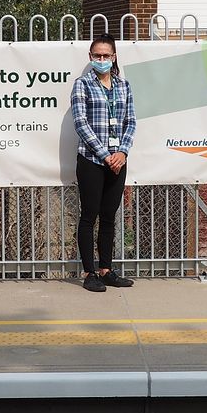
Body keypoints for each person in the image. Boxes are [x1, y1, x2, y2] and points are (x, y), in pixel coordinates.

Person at [71, 34, 136, 292]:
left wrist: (122, 152)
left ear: (114, 57)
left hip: (118, 161)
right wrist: (105, 155)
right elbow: (80, 123)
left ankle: (106, 269)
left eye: (105, 55)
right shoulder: (82, 85)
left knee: (109, 216)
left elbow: (130, 121)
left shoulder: (123, 86)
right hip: (91, 161)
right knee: (89, 216)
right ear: (90, 57)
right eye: (97, 55)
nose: (101, 59)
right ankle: (89, 273)